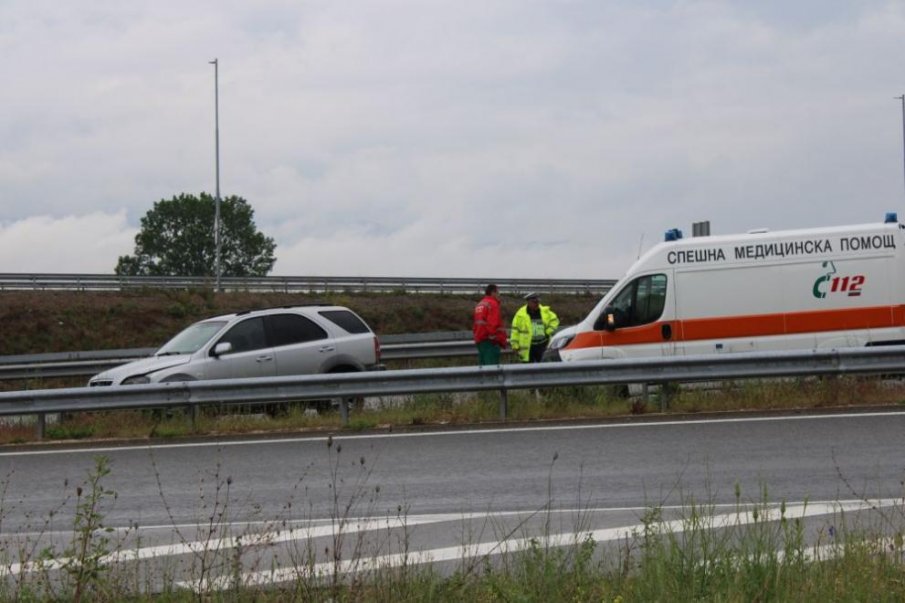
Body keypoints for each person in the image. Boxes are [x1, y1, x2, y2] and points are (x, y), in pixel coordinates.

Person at [510, 292, 560, 363]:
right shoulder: (520, 314)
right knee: (528, 369)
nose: (537, 304)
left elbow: (555, 320)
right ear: (528, 302)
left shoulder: (544, 311)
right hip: (528, 347)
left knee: (544, 367)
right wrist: (515, 346)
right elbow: (515, 330)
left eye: (538, 302)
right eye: (534, 302)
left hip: (542, 345)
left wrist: (548, 331)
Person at [473, 283, 508, 365]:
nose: (498, 295)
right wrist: (497, 338)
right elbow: (493, 324)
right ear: (493, 292)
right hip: (490, 341)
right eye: (497, 292)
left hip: (480, 339)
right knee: (492, 369)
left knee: (483, 367)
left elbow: (476, 324)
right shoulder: (493, 304)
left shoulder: (480, 304)